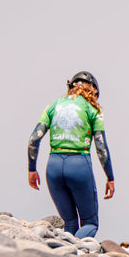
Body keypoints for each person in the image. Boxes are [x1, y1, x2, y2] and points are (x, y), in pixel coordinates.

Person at [27, 70, 114, 238]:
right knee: (90, 223)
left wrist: (32, 169)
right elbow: (101, 148)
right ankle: (72, 253)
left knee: (70, 223)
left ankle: (63, 255)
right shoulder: (93, 109)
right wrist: (109, 177)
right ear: (94, 90)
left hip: (53, 166)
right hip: (79, 165)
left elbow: (33, 140)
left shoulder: (53, 106)